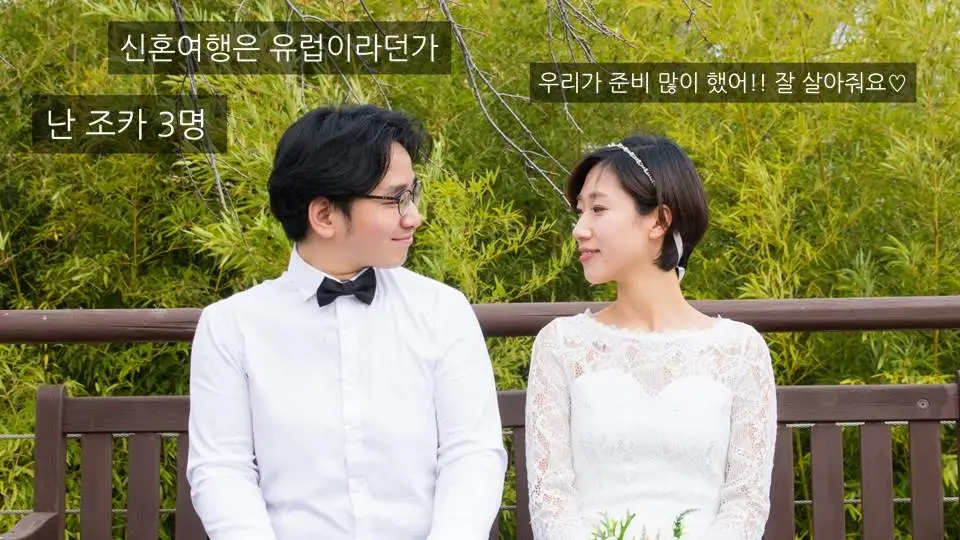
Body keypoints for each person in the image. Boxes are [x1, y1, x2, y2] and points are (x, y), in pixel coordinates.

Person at [186, 104, 508, 540]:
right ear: (324, 216)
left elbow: (472, 453)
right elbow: (222, 468)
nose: (413, 216)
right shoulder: (231, 327)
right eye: (394, 199)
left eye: (412, 194)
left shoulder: (443, 311)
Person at [524, 135, 778, 539]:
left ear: (659, 220)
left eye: (598, 209)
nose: (579, 229)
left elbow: (745, 504)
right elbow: (551, 501)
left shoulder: (740, 350)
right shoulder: (561, 345)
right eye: (580, 211)